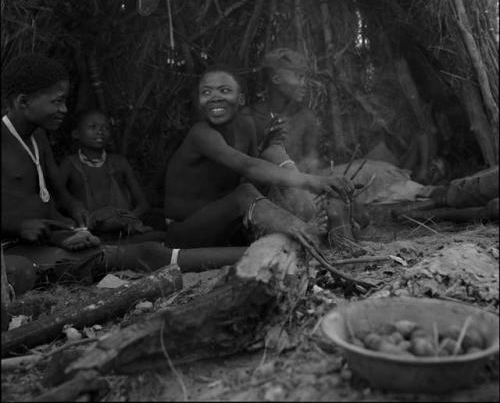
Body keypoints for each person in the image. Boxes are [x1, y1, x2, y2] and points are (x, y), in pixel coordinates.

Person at [1, 54, 245, 296]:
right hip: (12, 250)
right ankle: (258, 253)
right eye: (57, 102)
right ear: (24, 102)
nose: (63, 109)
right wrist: (18, 226)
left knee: (148, 249)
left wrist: (70, 228)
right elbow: (22, 215)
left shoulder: (38, 138)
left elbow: (54, 195)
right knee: (135, 255)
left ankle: (260, 252)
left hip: (43, 242)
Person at [163, 64, 354, 249]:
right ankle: (304, 230)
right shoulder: (201, 134)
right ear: (199, 102)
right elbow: (248, 166)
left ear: (241, 99)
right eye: (206, 92)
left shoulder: (246, 127)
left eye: (224, 90)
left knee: (270, 164)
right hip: (186, 231)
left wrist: (307, 191)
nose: (215, 98)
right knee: (244, 193)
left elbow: (259, 172)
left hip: (226, 226)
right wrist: (312, 181)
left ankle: (330, 232)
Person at [59, 108, 165, 242]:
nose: (100, 131)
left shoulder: (119, 162)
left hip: (124, 232)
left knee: (161, 238)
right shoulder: (69, 164)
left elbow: (143, 205)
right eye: (93, 127)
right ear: (76, 133)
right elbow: (58, 199)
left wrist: (124, 219)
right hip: (90, 234)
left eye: (105, 127)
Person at [242, 48, 321, 173]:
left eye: (304, 78)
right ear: (276, 79)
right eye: (298, 77)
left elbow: (311, 162)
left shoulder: (306, 118)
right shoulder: (249, 117)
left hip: (299, 187)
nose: (304, 83)